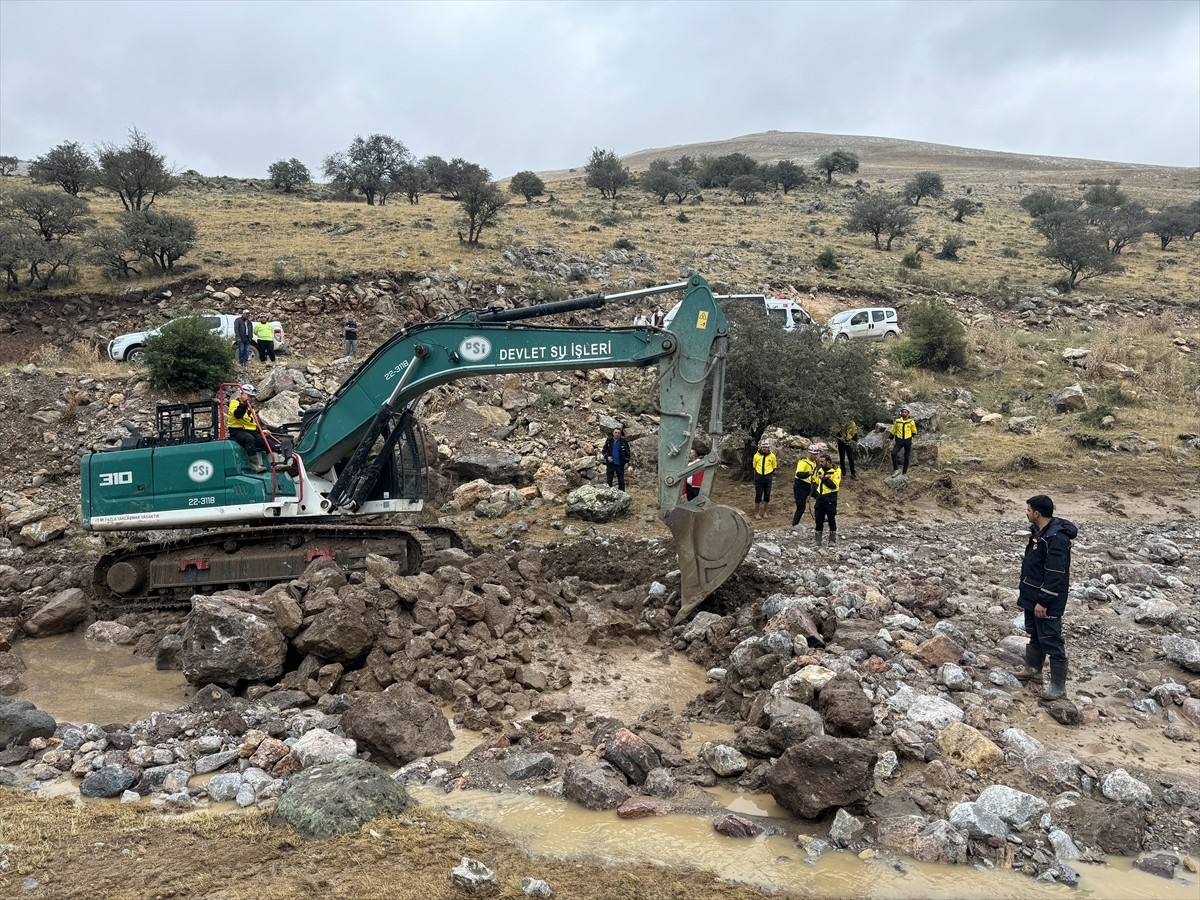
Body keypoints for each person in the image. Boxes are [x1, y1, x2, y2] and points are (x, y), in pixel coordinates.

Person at [1016, 494, 1078, 701]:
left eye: (1028, 510)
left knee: (1051, 640)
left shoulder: (1056, 539)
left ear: (1037, 513)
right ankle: (1034, 670)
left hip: (1046, 600)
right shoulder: (1040, 532)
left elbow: (1055, 574)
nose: (1026, 513)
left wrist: (1044, 600)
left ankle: (1058, 687)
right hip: (1032, 595)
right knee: (1035, 632)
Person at [227, 384, 268, 472]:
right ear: (243, 394)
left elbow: (252, 423)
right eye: (249, 396)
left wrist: (261, 431)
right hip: (236, 430)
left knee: (264, 440)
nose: (251, 399)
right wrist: (243, 404)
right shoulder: (234, 403)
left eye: (252, 397)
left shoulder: (250, 408)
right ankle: (255, 465)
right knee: (249, 439)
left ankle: (274, 464)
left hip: (250, 431)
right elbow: (238, 415)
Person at [812, 453, 841, 547]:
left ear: (828, 462)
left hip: (830, 498)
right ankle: (817, 541)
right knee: (818, 519)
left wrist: (823, 479)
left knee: (831, 518)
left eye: (822, 461)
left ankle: (832, 540)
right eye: (819, 461)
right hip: (820, 497)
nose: (820, 463)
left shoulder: (836, 471)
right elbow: (816, 481)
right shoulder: (819, 469)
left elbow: (834, 485)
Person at [792, 444, 819, 527]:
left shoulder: (815, 463)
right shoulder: (803, 462)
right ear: (810, 454)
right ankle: (795, 524)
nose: (816, 456)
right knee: (801, 507)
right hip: (800, 485)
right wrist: (808, 473)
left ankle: (819, 516)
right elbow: (798, 474)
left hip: (810, 485)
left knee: (821, 497)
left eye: (817, 454)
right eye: (814, 454)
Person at [752, 439, 776, 520]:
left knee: (767, 495)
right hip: (758, 477)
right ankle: (756, 512)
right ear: (761, 447)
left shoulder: (772, 456)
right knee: (758, 495)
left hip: (768, 477)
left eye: (766, 447)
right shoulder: (756, 455)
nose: (765, 449)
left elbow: (774, 466)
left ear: (768, 447)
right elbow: (754, 466)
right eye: (763, 447)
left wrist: (769, 475)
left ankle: (765, 512)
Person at [890, 406, 917, 476]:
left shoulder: (911, 422)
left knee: (906, 457)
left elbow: (914, 431)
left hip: (907, 441)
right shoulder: (897, 421)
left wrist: (910, 437)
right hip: (899, 441)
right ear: (901, 413)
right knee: (893, 453)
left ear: (908, 414)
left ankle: (904, 472)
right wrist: (890, 437)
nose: (904, 413)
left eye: (906, 412)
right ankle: (896, 469)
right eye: (903, 412)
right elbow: (894, 430)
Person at [602, 427, 631, 491]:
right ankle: (608, 495)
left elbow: (628, 452)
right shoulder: (609, 440)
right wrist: (607, 457)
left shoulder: (623, 441)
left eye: (618, 433)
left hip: (620, 464)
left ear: (620, 434)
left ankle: (622, 495)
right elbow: (604, 451)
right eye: (615, 432)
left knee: (621, 481)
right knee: (609, 480)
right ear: (613, 433)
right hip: (610, 464)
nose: (617, 434)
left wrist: (627, 462)